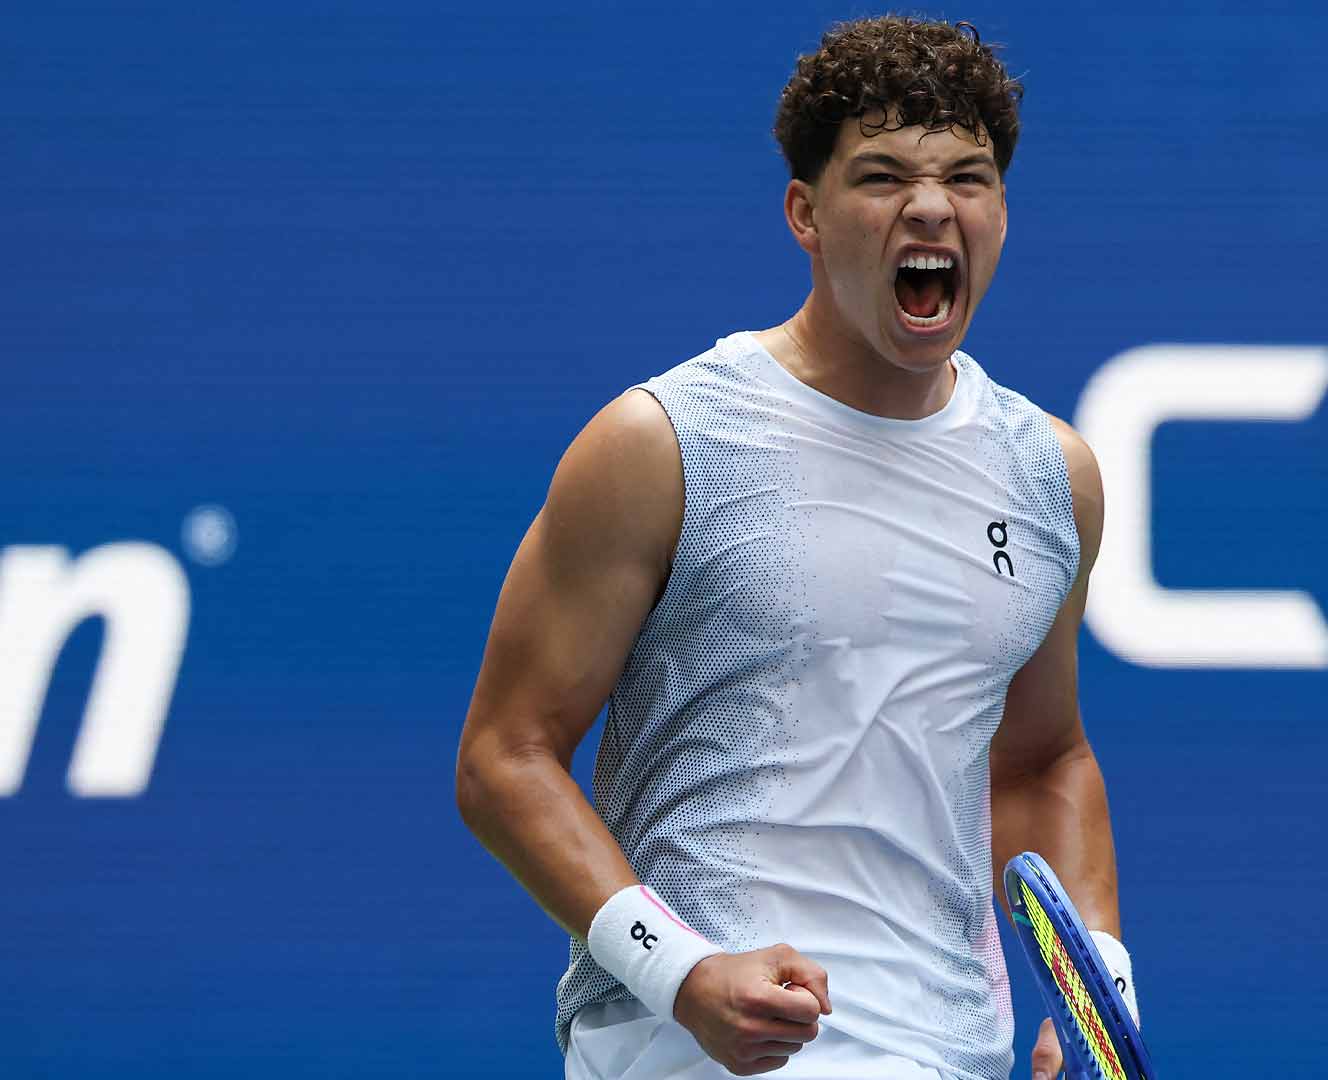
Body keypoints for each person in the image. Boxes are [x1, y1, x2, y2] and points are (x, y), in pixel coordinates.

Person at [456, 16, 1135, 1079]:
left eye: (967, 178)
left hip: (945, 1050)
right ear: (804, 214)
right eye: (882, 177)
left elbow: (1043, 760)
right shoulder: (661, 443)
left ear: (1000, 212)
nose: (930, 207)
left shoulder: (1051, 476)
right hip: (686, 1048)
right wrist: (681, 971)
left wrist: (1095, 992)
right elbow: (505, 756)